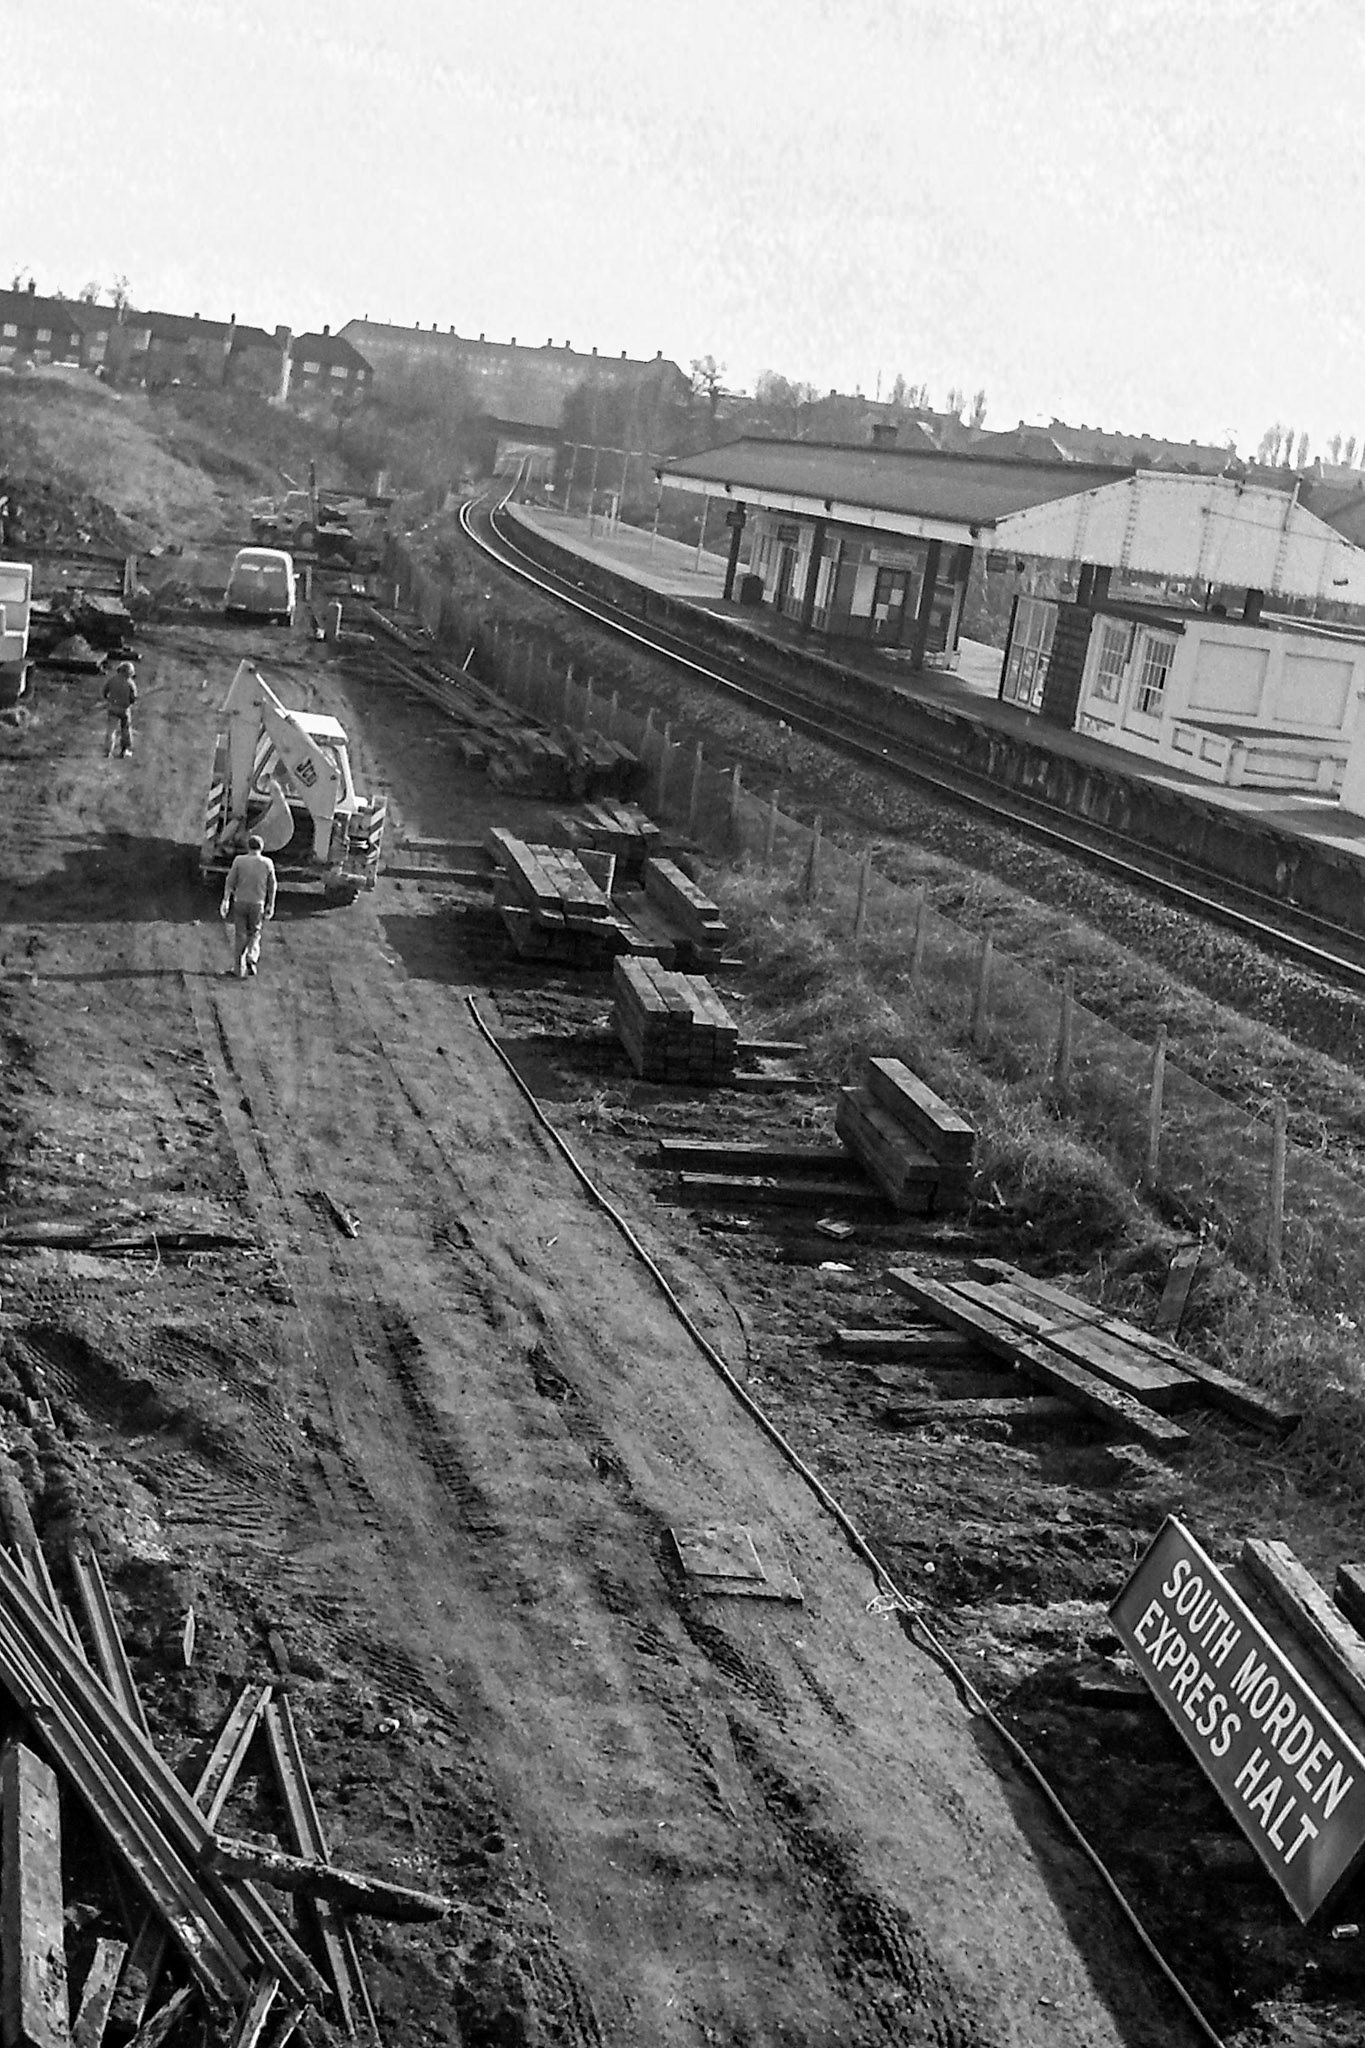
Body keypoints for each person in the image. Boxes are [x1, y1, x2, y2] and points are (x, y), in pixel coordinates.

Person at [220, 833, 278, 978]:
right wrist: (271, 904)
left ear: (248, 846)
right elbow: (273, 886)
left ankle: (238, 970)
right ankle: (251, 958)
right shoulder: (267, 863)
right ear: (262, 847)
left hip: (240, 902)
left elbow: (230, 881)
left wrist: (226, 900)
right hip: (258, 904)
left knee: (240, 935)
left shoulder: (239, 861)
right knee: (255, 933)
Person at [101, 660, 138, 758]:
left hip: (112, 707)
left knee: (110, 730)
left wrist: (108, 699)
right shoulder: (130, 683)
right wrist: (130, 703)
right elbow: (133, 697)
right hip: (124, 709)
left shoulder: (112, 680)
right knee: (125, 730)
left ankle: (108, 751)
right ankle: (124, 750)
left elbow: (105, 691)